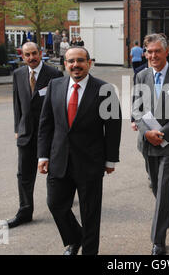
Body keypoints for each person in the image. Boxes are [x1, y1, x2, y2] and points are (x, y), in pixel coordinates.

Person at [37, 46, 122, 255]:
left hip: (90, 162)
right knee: (55, 204)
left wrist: (110, 160)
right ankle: (75, 238)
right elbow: (46, 124)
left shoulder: (106, 90)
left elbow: (113, 127)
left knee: (90, 214)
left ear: (89, 63)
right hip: (59, 160)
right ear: (65, 64)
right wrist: (43, 155)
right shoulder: (55, 85)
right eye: (71, 61)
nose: (76, 65)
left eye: (80, 61)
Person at [132, 33, 169, 255]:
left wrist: (163, 133)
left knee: (164, 188)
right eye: (149, 51)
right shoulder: (141, 76)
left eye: (158, 51)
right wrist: (147, 132)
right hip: (147, 143)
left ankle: (158, 240)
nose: (153, 55)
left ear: (167, 51)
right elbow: (136, 109)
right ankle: (164, 212)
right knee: (155, 186)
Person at [7, 42, 63, 229]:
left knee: (55, 173)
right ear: (22, 57)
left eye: (34, 53)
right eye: (27, 55)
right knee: (24, 174)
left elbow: (59, 106)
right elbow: (17, 104)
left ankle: (60, 205)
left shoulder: (54, 75)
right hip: (26, 134)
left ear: (41, 53)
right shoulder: (18, 75)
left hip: (49, 134)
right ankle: (25, 210)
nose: (31, 58)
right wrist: (17, 128)